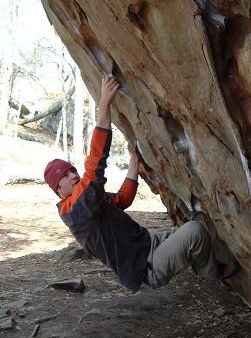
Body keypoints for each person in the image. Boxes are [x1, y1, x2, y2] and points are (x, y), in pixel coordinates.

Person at [44, 74, 240, 293]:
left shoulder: (86, 202)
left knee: (196, 225)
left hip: (151, 244)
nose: (72, 175)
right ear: (58, 189)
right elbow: (94, 168)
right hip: (147, 266)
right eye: (65, 175)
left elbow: (122, 199)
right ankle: (211, 271)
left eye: (72, 170)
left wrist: (134, 162)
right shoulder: (76, 211)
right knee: (195, 231)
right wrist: (104, 105)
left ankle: (198, 261)